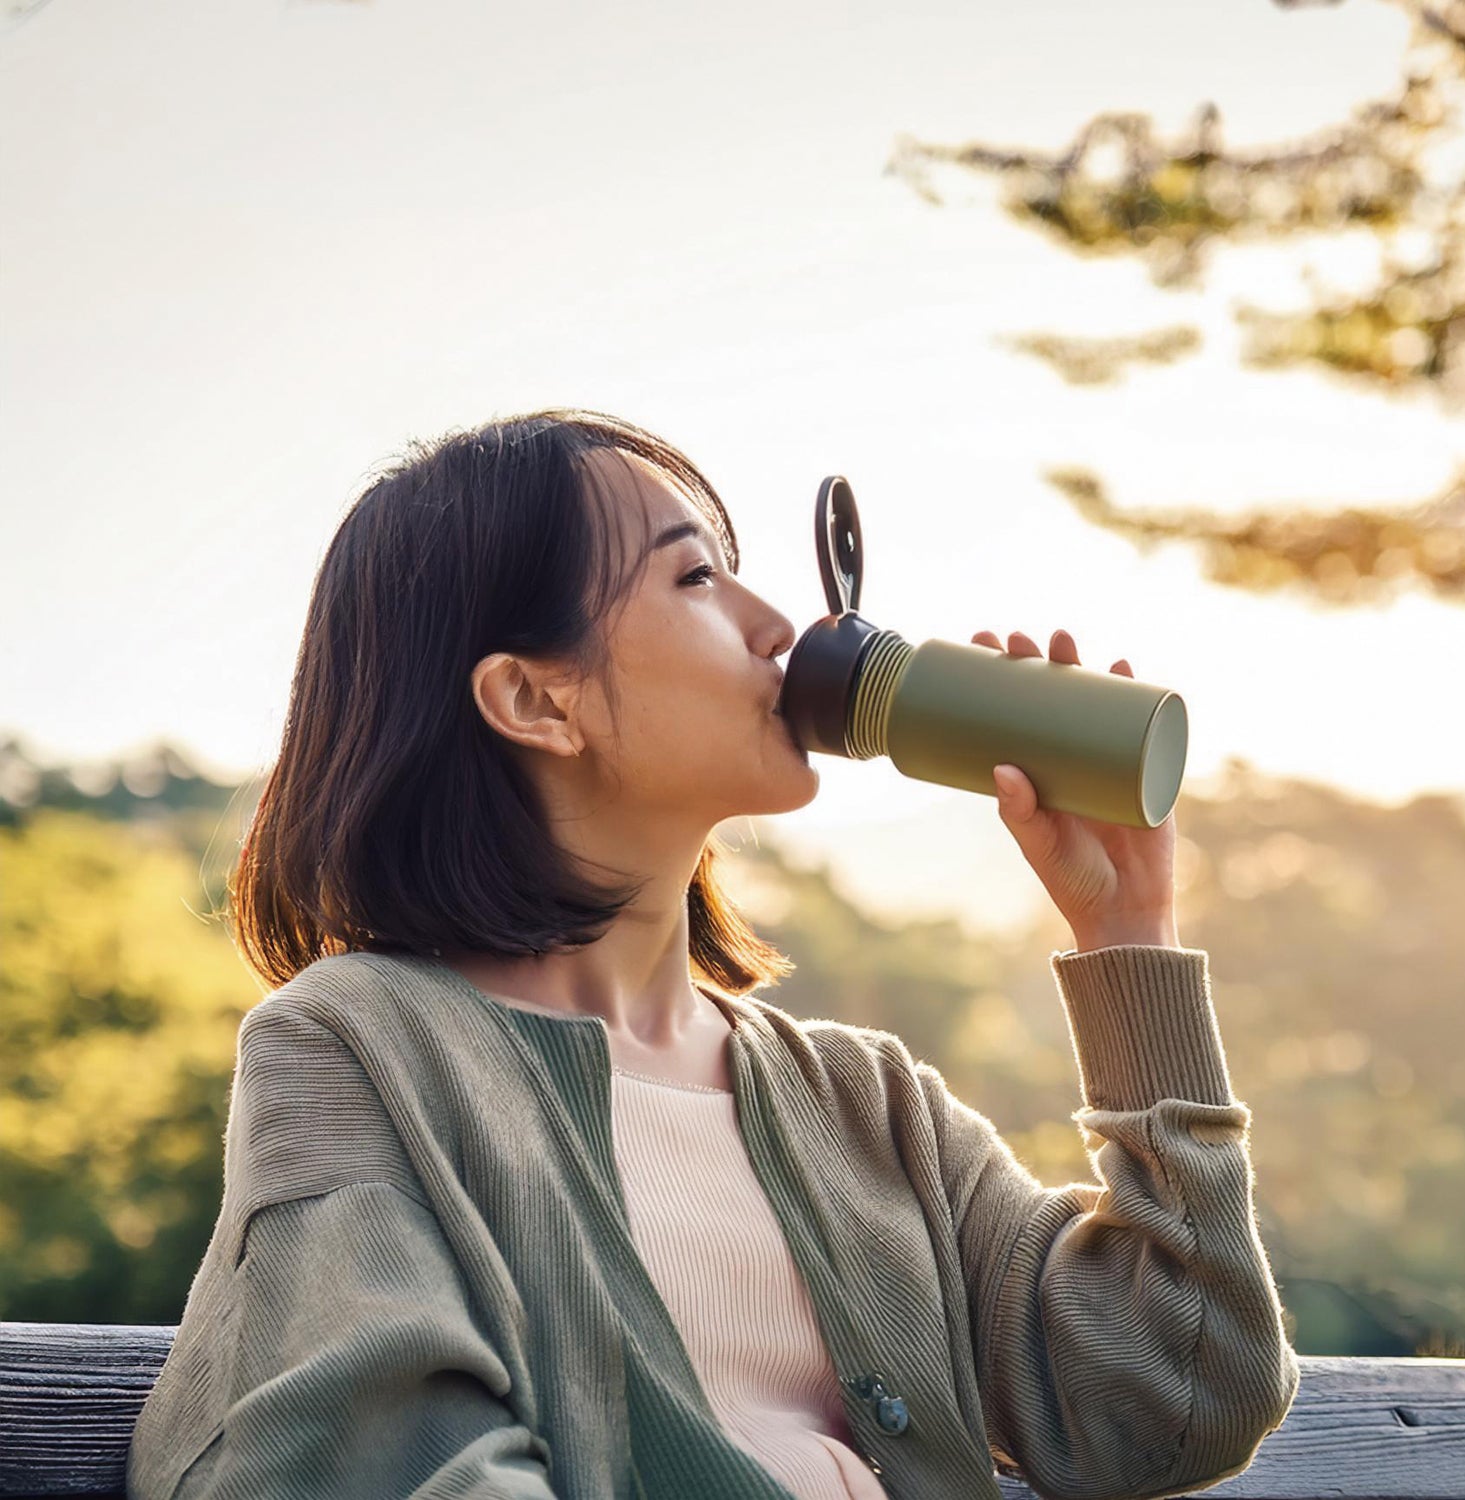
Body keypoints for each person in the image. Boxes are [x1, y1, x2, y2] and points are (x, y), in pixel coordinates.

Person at [124, 408, 1300, 1500]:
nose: (777, 625)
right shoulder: (358, 1047)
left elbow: (1178, 1399)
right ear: (537, 699)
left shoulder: (864, 1103)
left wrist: (1126, 938)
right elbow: (378, 1461)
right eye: (694, 575)